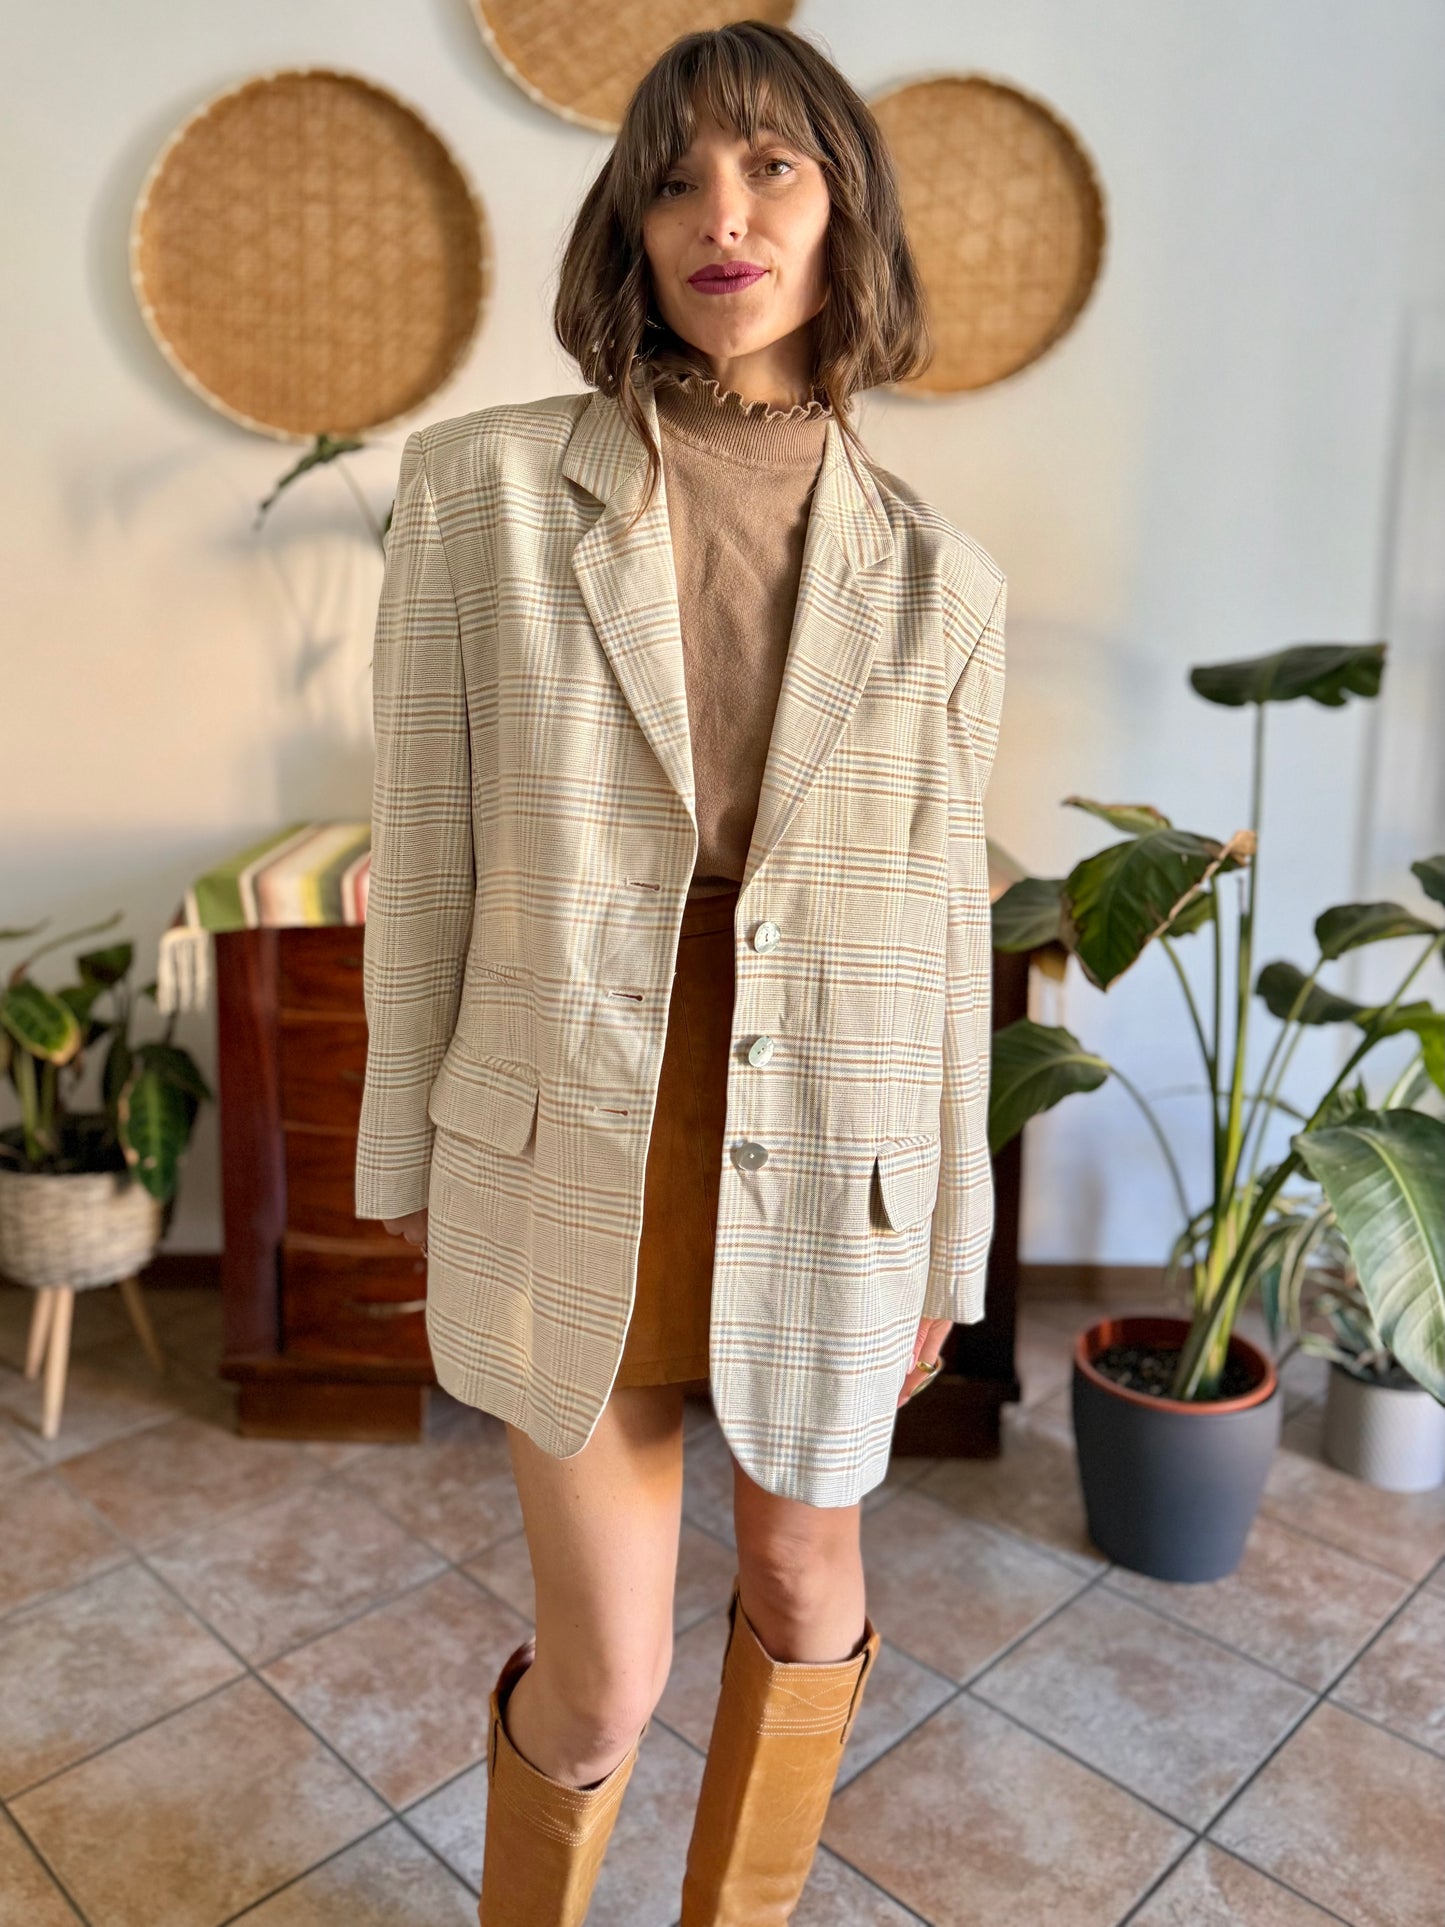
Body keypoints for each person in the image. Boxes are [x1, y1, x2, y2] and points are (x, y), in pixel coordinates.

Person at [354, 20, 1007, 1924]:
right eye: (672, 176)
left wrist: (946, 1236)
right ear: (626, 226)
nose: (718, 214)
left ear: (843, 210)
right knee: (609, 1672)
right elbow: (430, 862)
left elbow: (941, 927)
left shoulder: (939, 578)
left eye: (771, 167)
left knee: (809, 1597)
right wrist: (410, 1163)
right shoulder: (477, 494)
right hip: (576, 1127)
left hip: (835, 1140)